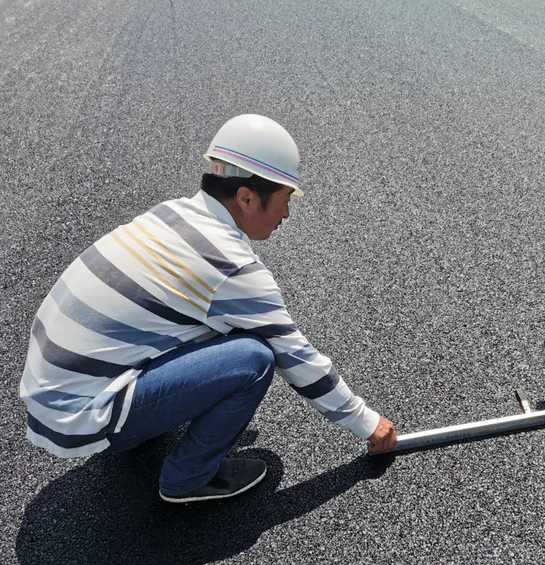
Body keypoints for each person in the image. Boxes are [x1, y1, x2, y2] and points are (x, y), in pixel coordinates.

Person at [20, 114, 397, 503]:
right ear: (247, 197)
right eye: (285, 201)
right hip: (76, 417)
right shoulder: (229, 266)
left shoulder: (171, 214)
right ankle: (188, 479)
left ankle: (137, 420)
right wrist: (367, 424)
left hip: (50, 393)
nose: (286, 214)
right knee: (252, 358)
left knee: (217, 326)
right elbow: (298, 359)